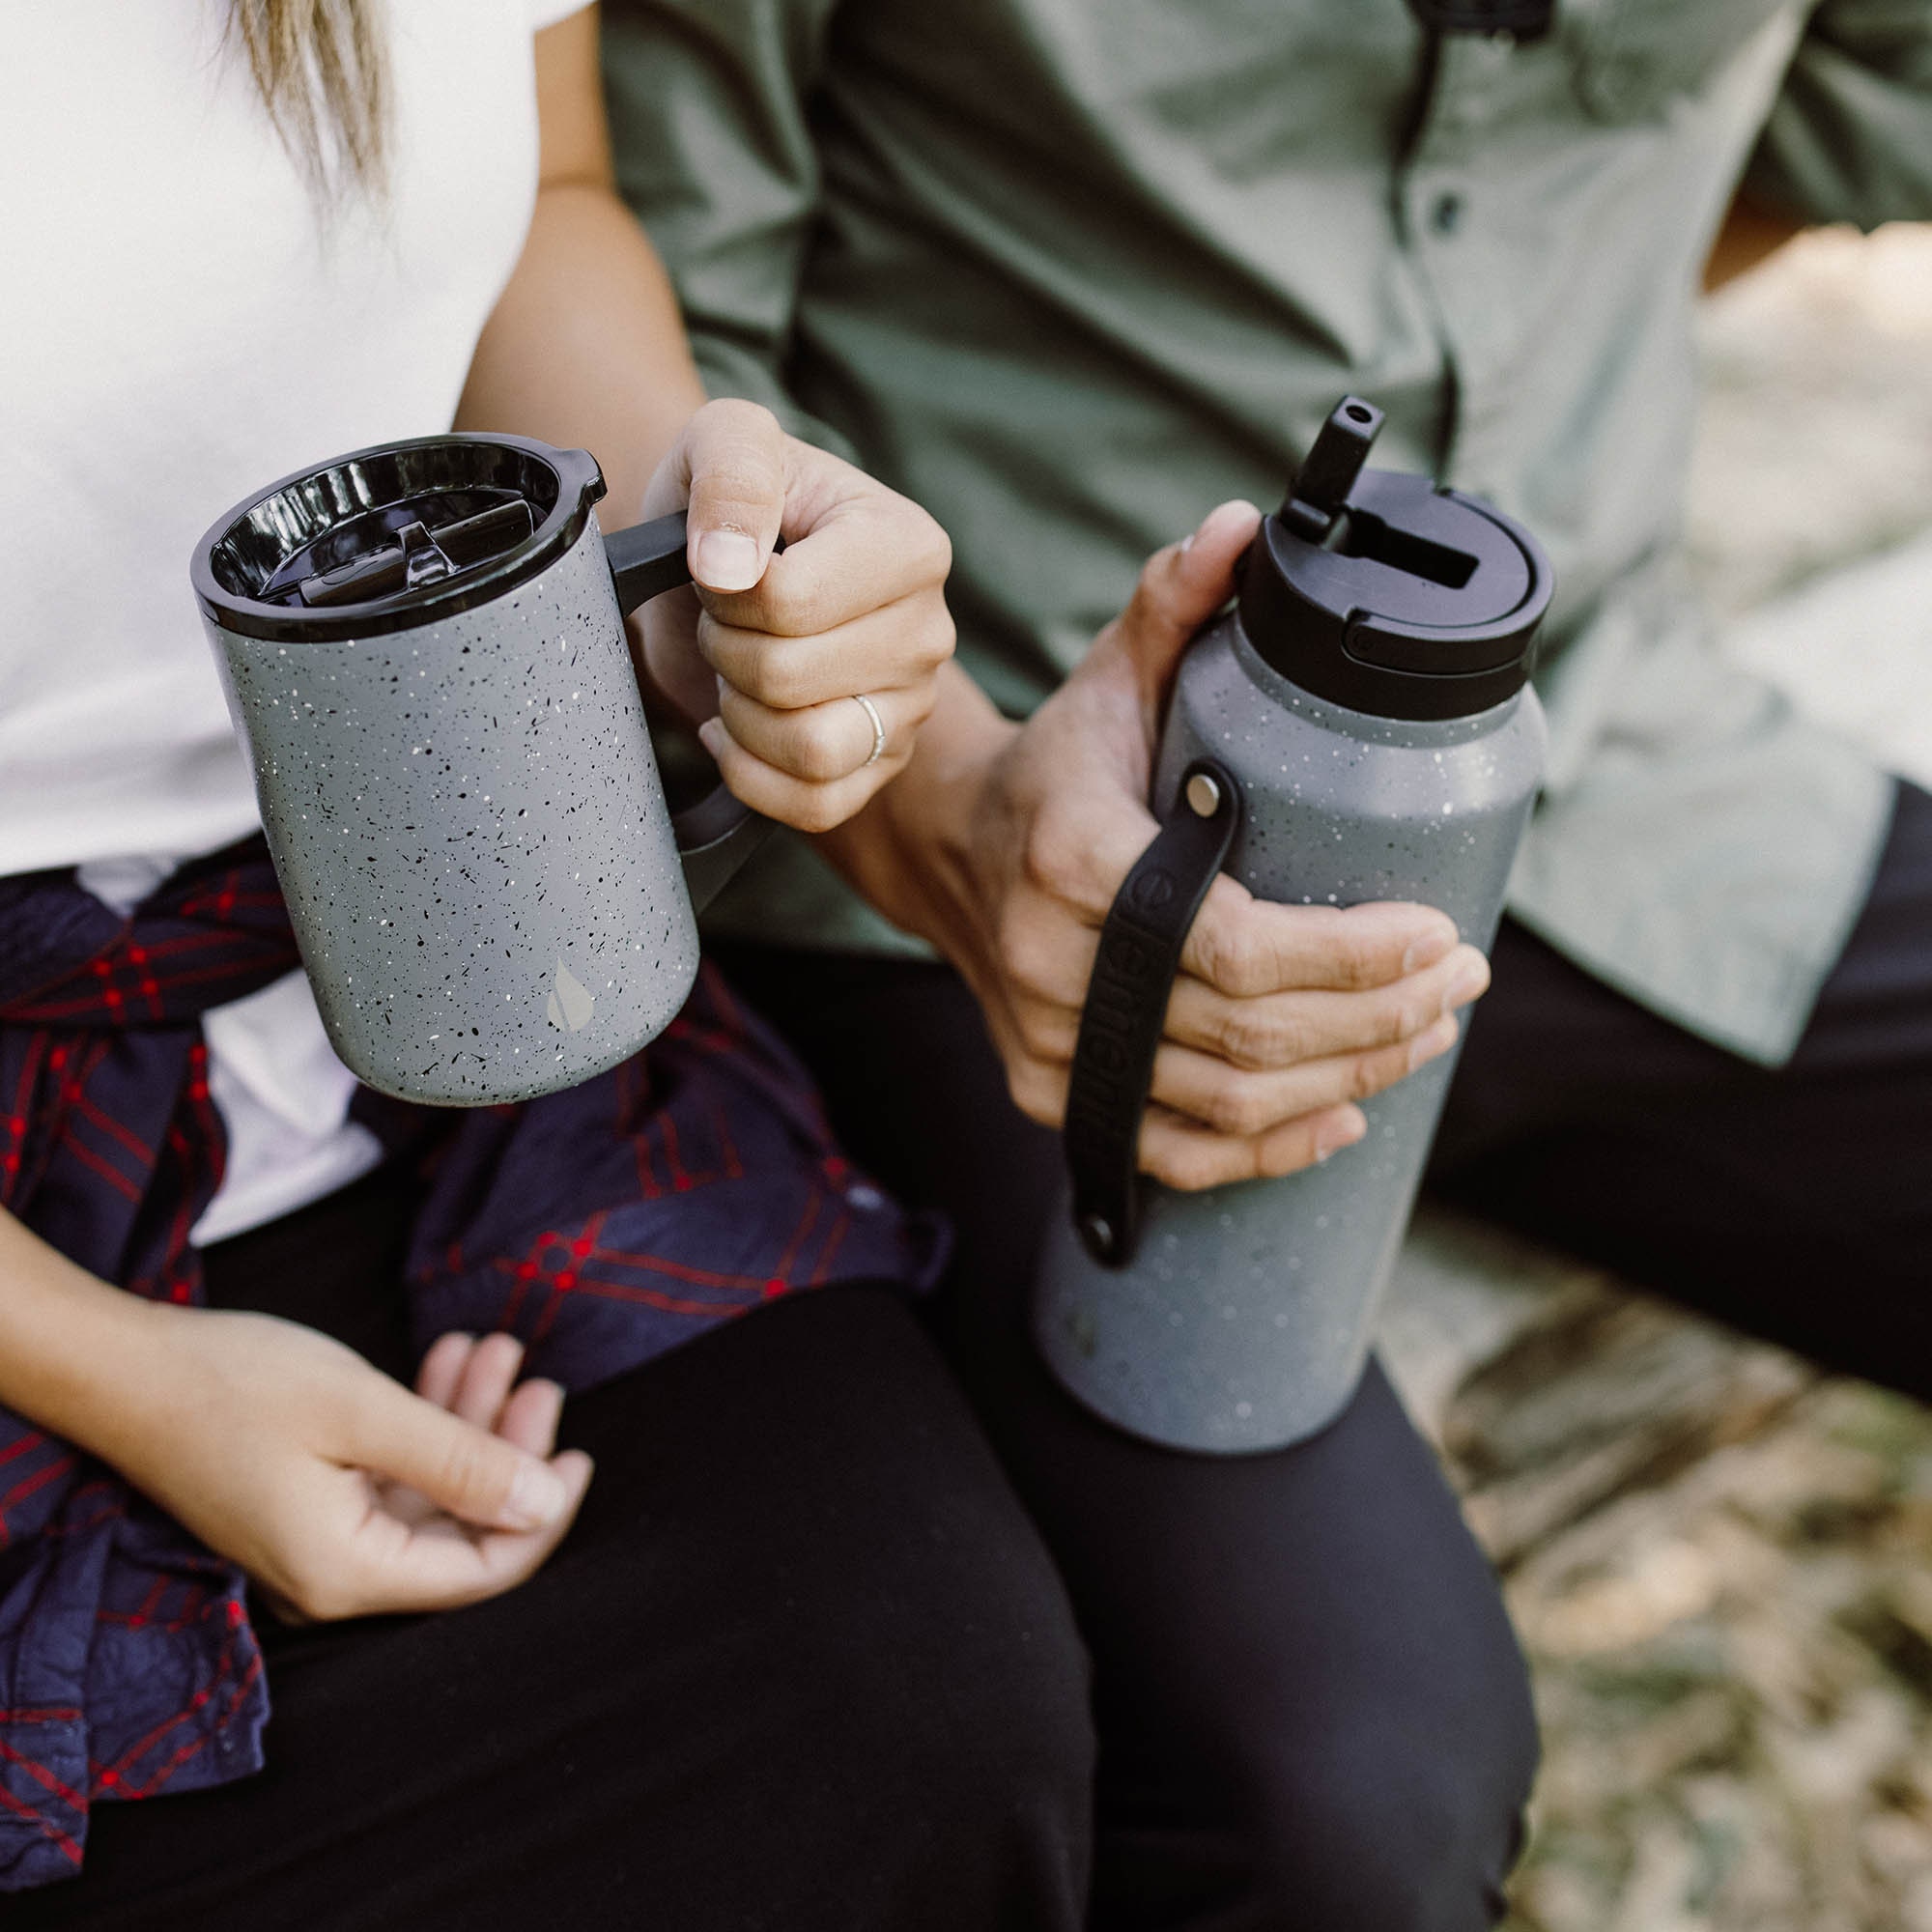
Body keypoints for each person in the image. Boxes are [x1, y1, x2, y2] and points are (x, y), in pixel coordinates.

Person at [599, 0, 1932, 1921]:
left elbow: (1842, 118)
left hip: (1622, 775)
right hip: (982, 863)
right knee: (1335, 1809)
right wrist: (941, 809)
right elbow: (634, 326)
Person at [0, 5, 1182, 1924]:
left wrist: (692, 552)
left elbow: (541, 197)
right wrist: (131, 1382)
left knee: (917, 1717)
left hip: (471, 948)